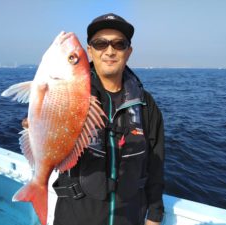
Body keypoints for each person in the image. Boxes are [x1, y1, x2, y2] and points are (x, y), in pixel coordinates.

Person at [53, 13, 165, 225]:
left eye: (119, 44)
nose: (110, 51)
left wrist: (155, 214)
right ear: (90, 51)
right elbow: (48, 130)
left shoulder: (146, 104)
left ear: (128, 52)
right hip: (75, 217)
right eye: (100, 43)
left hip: (130, 217)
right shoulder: (68, 94)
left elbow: (156, 163)